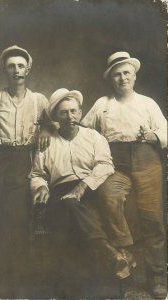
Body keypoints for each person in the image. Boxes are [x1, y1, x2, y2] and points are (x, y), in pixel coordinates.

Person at [30, 88, 137, 293]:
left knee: (75, 205)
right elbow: (37, 174)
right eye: (64, 113)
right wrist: (41, 188)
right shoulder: (47, 141)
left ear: (80, 113)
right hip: (58, 192)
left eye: (73, 111)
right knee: (69, 204)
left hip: (91, 187)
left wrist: (83, 186)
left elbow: (105, 165)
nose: (70, 117)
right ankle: (111, 255)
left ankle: (90, 278)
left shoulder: (93, 137)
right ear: (56, 117)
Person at [82, 51, 167, 299]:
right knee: (108, 199)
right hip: (114, 163)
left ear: (134, 75)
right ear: (111, 79)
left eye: (126, 73)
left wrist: (151, 136)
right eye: (117, 75)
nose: (122, 78)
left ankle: (157, 276)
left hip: (146, 160)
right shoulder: (102, 104)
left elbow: (166, 132)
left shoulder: (148, 103)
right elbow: (84, 131)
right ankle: (126, 267)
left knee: (152, 219)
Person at [0, 45, 49, 297]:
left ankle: (19, 284)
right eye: (11, 66)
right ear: (4, 70)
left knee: (18, 223)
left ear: (27, 69)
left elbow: (53, 122)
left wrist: (47, 130)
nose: (16, 70)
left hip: (23, 163)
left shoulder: (39, 100)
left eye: (20, 65)